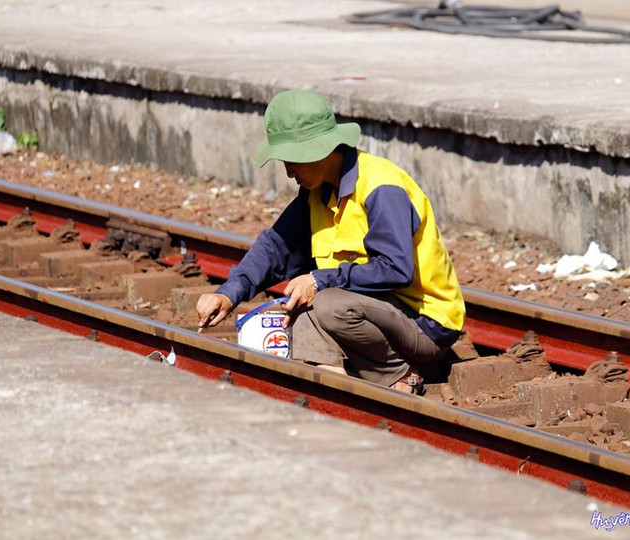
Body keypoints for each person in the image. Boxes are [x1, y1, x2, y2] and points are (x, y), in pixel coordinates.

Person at [196, 89, 465, 394]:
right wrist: (229, 294)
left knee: (324, 302)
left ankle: (399, 376)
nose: (288, 172)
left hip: (426, 325)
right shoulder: (317, 193)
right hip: (375, 312)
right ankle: (333, 394)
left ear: (319, 150)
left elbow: (394, 269)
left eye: (292, 160)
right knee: (299, 309)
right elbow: (275, 246)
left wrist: (320, 279)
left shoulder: (381, 187)